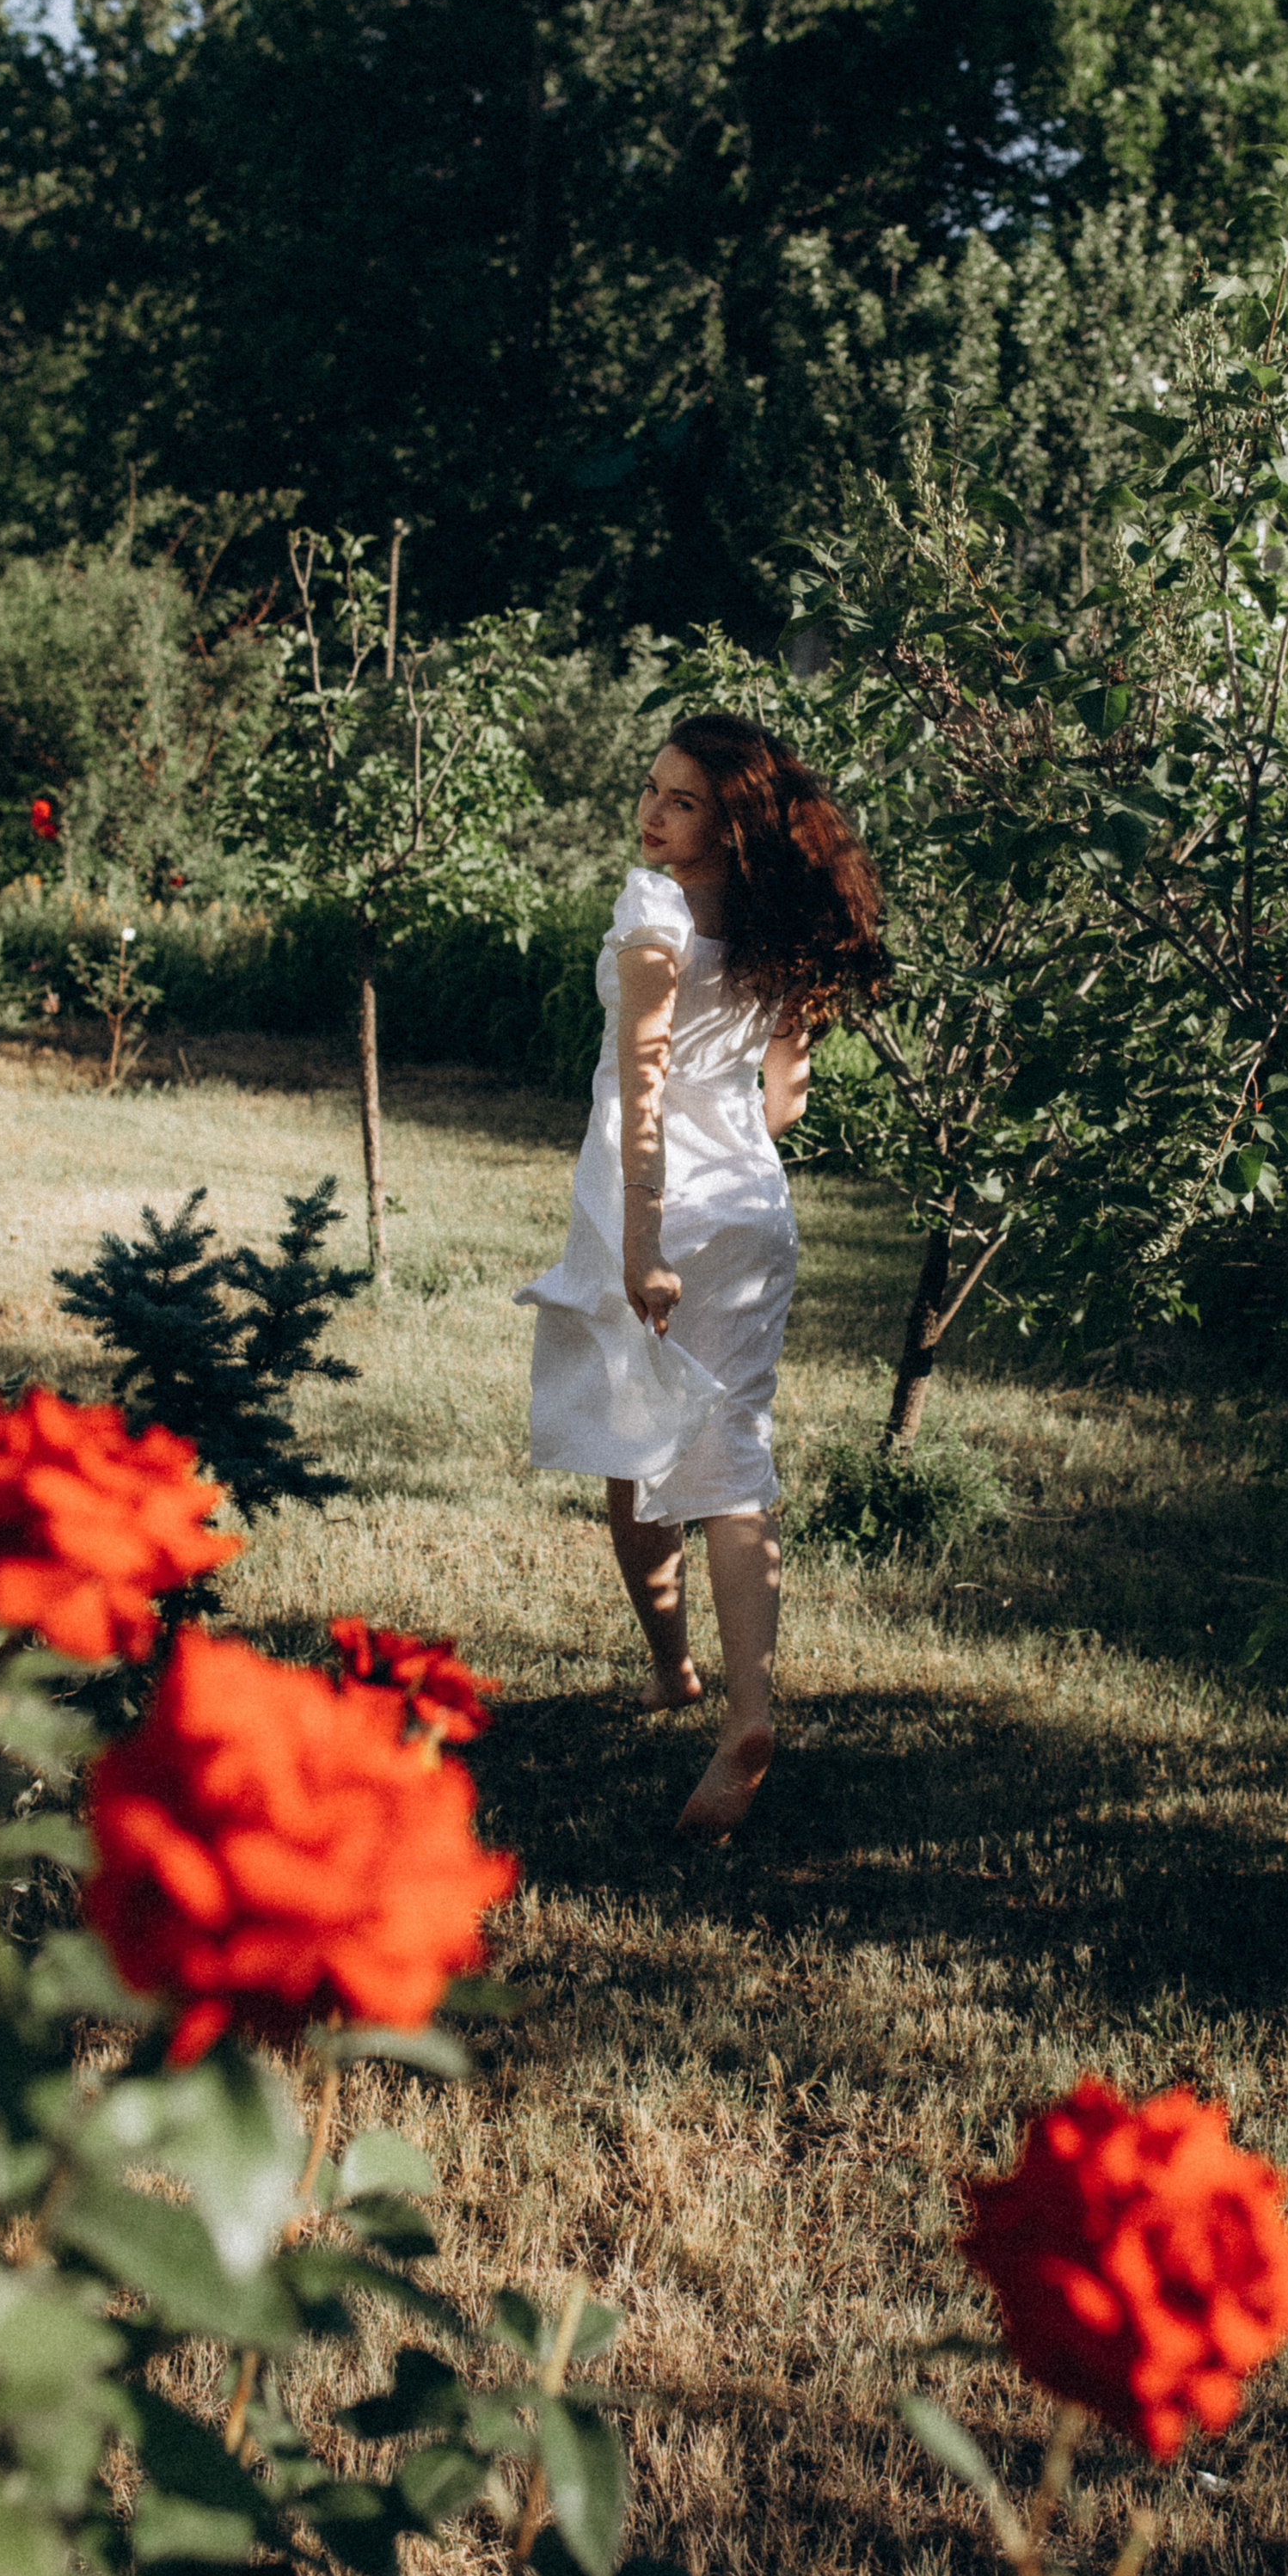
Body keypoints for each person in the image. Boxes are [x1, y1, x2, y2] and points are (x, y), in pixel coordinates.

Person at [517, 712, 886, 1835]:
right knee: (727, 1456)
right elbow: (784, 1098)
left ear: (729, 821)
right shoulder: (780, 924)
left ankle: (705, 1689)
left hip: (655, 1214)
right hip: (751, 1209)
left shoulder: (654, 911)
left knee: (652, 1444)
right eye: (651, 790)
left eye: (680, 800)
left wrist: (640, 1246)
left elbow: (640, 1088)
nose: (651, 813)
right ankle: (710, 1693)